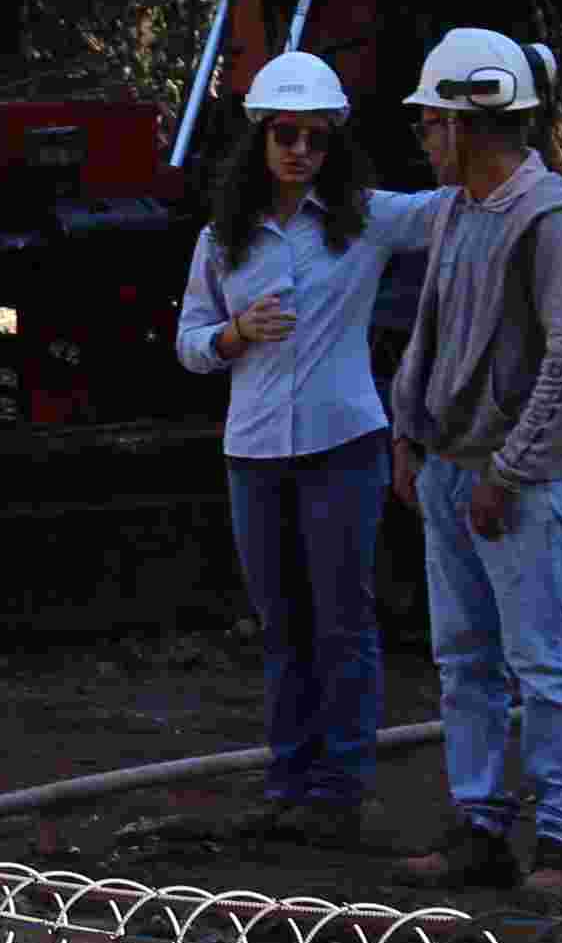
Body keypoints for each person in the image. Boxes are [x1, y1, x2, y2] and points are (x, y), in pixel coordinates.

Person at [173, 51, 445, 846]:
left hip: (343, 446)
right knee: (282, 622)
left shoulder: (365, 219)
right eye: (285, 134)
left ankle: (340, 791)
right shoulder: (222, 239)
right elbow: (188, 341)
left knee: (343, 619)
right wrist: (232, 334)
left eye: (315, 139)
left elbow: (455, 206)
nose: (299, 150)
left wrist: (547, 189)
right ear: (259, 138)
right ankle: (289, 783)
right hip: (254, 453)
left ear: (336, 145)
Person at [382, 28, 562, 900]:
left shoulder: (549, 220)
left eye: (431, 123)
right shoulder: (457, 212)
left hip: (508, 481)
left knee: (540, 661)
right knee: (465, 660)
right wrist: (410, 438)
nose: (425, 138)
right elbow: (432, 335)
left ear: (467, 125)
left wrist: (508, 470)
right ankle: (480, 824)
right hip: (448, 468)